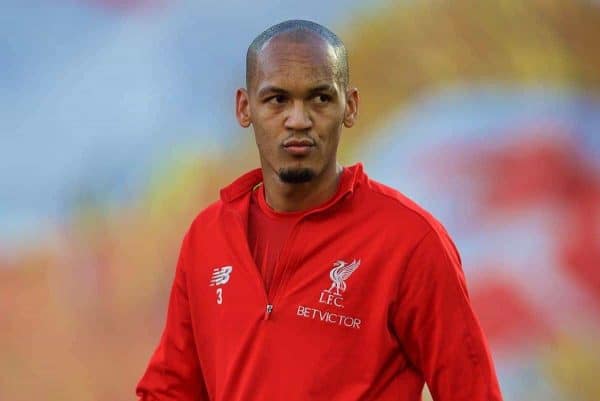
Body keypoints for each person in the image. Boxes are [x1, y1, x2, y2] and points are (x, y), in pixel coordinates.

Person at [136, 19, 503, 401]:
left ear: (350, 106)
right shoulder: (207, 235)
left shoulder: (411, 241)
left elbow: (472, 391)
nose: (299, 120)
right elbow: (170, 391)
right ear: (245, 108)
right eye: (277, 99)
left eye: (320, 98)